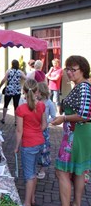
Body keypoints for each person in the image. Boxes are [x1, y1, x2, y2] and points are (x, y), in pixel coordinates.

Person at [51, 55, 91, 206]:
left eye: (73, 69)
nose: (69, 73)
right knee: (79, 171)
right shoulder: (81, 86)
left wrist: (63, 118)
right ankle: (77, 203)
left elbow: (85, 114)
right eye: (67, 69)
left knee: (62, 172)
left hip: (76, 135)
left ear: (83, 70)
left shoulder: (84, 87)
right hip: (79, 133)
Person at [14, 79, 47, 206]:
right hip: (39, 142)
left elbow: (19, 130)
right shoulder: (41, 105)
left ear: (23, 91)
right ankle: (32, 198)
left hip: (28, 144)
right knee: (33, 171)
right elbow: (44, 125)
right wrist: (36, 132)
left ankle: (27, 203)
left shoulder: (21, 109)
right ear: (37, 91)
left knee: (29, 175)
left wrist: (16, 147)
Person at [36, 82, 56, 179]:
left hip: (44, 130)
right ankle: (35, 166)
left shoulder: (49, 103)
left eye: (37, 92)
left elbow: (53, 117)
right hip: (35, 129)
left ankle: (42, 169)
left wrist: (45, 121)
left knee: (44, 149)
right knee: (35, 148)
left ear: (41, 92)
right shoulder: (35, 101)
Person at [0, 59, 27, 125]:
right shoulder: (20, 72)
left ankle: (3, 119)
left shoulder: (9, 71)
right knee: (16, 105)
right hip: (17, 90)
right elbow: (26, 78)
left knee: (6, 104)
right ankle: (16, 121)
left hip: (9, 90)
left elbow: (4, 79)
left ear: (12, 64)